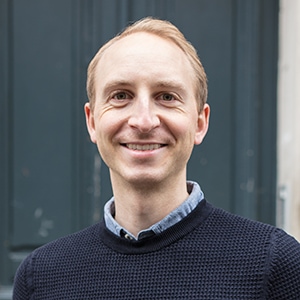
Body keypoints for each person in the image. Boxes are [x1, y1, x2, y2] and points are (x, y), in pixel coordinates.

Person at [13, 17, 300, 299]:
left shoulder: (274, 265)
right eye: (121, 95)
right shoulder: (41, 277)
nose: (143, 121)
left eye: (166, 96)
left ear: (200, 123)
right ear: (92, 122)